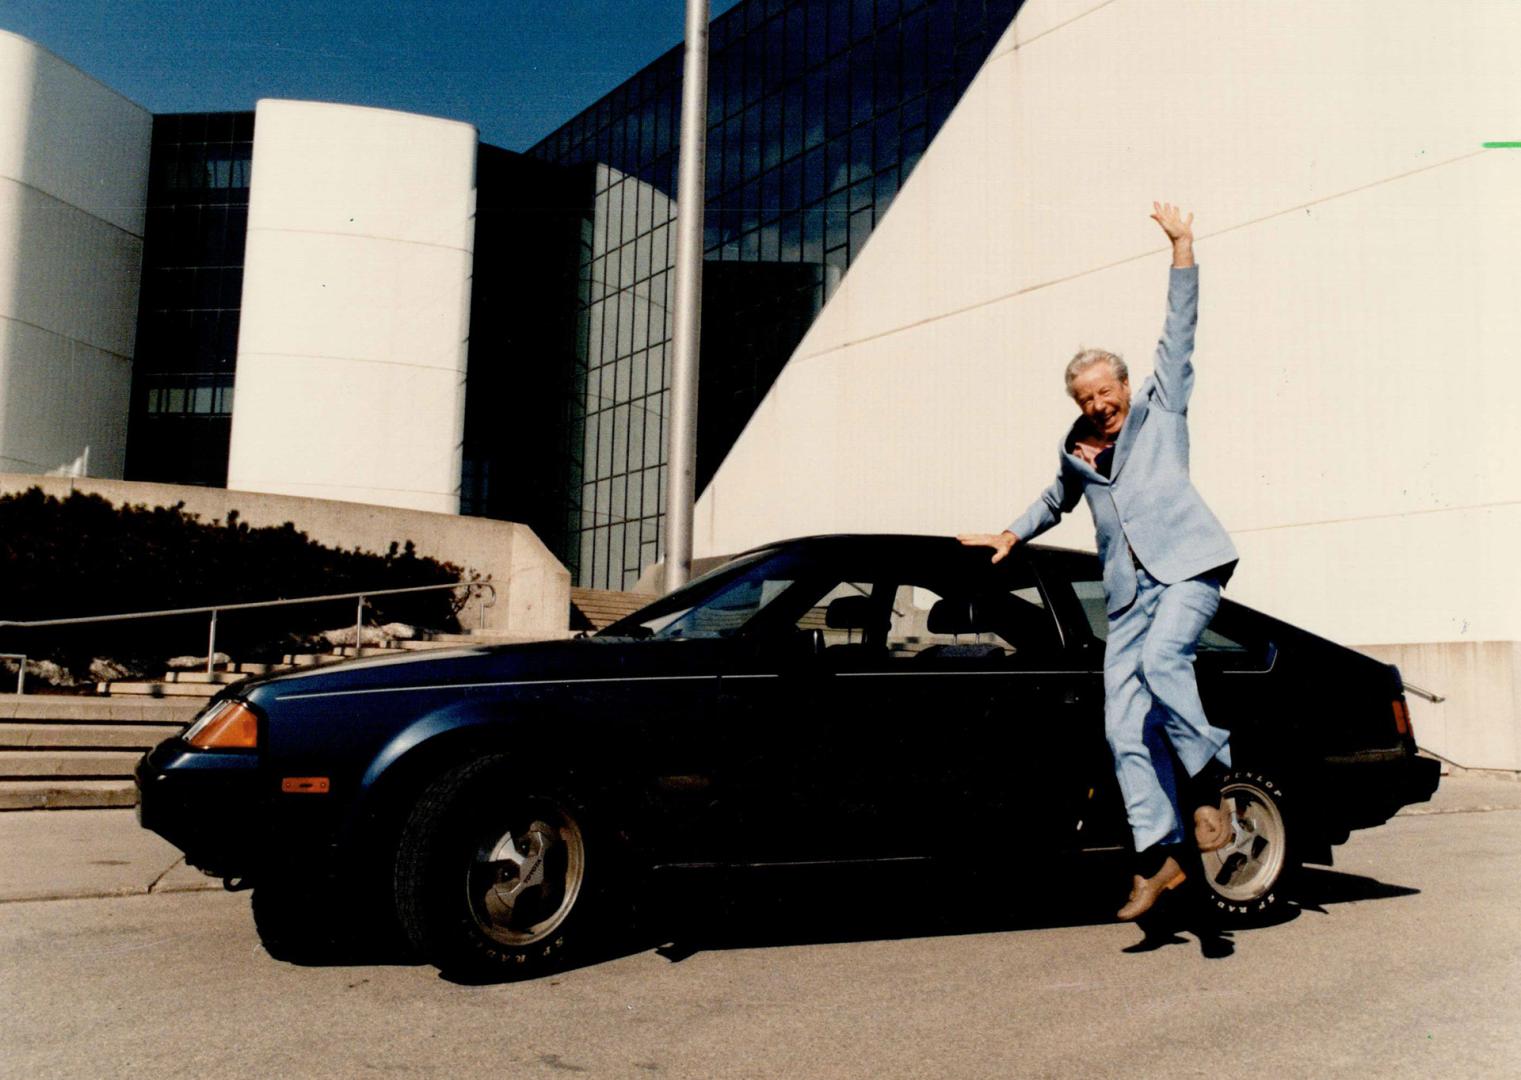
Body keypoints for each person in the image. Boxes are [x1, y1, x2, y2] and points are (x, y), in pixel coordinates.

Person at [959, 202, 1237, 921]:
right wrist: (1012, 535)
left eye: (1104, 391)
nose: (1097, 404)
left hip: (1186, 567)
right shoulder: (1075, 448)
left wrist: (1181, 249)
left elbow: (1179, 334)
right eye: (1084, 398)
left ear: (1123, 386)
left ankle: (1210, 781)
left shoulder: (1159, 408)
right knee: (1120, 729)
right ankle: (1161, 855)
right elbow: (1056, 496)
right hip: (1127, 593)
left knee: (1165, 662)